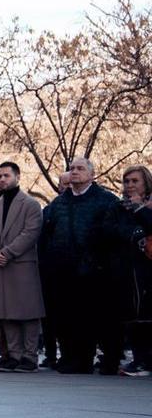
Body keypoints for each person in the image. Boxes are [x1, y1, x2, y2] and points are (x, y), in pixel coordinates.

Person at [40, 158, 124, 374]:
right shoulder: (58, 203)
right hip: (63, 271)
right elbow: (47, 233)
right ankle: (73, 358)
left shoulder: (106, 200)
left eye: (80, 169)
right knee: (67, 317)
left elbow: (110, 234)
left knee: (98, 317)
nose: (75, 172)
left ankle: (108, 359)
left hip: (95, 271)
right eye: (72, 168)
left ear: (92, 174)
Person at [0, 161, 46, 372]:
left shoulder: (31, 204)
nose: (0, 180)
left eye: (5, 176)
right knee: (5, 312)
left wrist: (6, 253)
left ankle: (30, 356)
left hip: (21, 264)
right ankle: (14, 355)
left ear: (17, 177)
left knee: (27, 312)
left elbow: (30, 233)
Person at [110, 165, 152, 376]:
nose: (130, 185)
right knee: (135, 314)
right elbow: (113, 229)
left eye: (135, 181)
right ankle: (139, 359)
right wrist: (134, 233)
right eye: (127, 182)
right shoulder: (118, 207)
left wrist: (141, 210)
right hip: (129, 267)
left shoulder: (148, 205)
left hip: (148, 266)